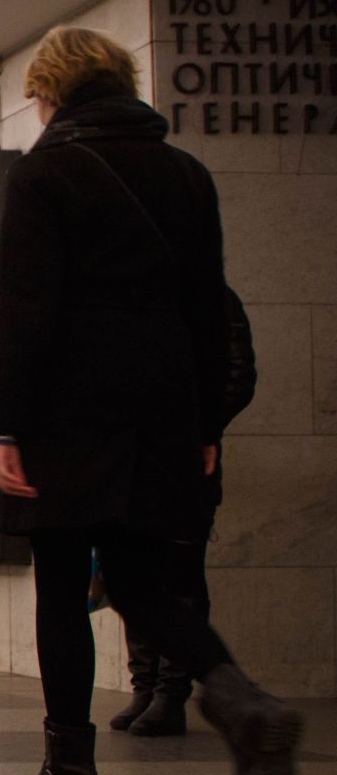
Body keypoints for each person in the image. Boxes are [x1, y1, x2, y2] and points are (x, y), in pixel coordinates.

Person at [0, 25, 301, 775]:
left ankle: (70, 771)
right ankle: (240, 700)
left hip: (67, 406)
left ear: (51, 92)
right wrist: (201, 423)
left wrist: (4, 424)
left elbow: (26, 313)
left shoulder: (47, 172)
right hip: (161, 404)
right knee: (136, 579)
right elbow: (206, 310)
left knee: (62, 583)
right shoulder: (185, 176)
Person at [110, 285, 257, 737]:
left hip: (185, 461)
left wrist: (195, 432)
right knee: (132, 575)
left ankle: (171, 694)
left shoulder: (213, 298)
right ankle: (145, 685)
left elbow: (237, 377)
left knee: (180, 573)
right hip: (132, 463)